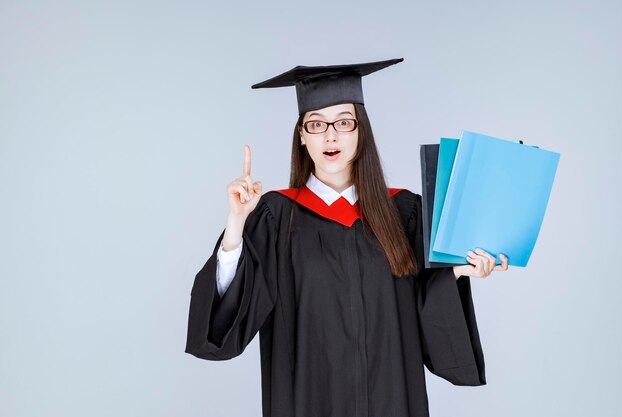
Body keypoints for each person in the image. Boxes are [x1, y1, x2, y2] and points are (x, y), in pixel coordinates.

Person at [185, 58, 509, 417]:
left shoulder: (404, 212)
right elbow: (231, 319)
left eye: (343, 122)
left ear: (360, 131)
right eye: (316, 124)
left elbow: (423, 303)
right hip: (306, 400)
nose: (330, 136)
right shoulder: (276, 217)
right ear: (302, 136)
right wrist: (235, 227)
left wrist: (458, 273)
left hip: (391, 399)